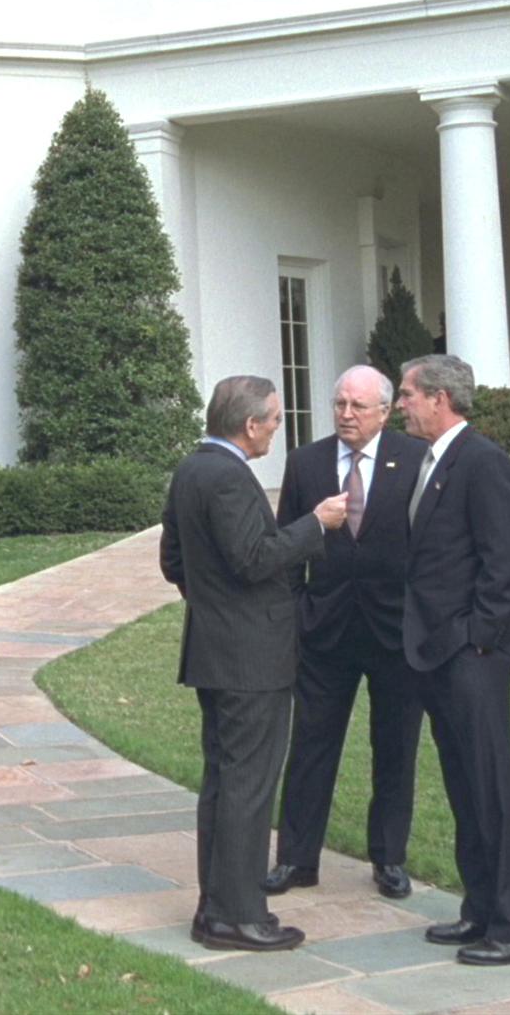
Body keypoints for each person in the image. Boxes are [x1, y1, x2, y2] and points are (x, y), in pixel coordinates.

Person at [160, 375, 348, 953]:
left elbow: (173, 561)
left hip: (215, 652)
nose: (276, 429)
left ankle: (215, 908)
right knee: (247, 786)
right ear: (249, 425)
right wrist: (316, 524)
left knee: (223, 781)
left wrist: (212, 603)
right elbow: (253, 559)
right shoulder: (228, 477)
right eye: (273, 420)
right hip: (250, 659)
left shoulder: (190, 470)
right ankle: (238, 915)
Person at [396, 354, 510, 967]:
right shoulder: (431, 462)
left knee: (491, 787)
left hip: (471, 656)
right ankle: (481, 909)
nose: (400, 403)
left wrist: (475, 639)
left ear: (439, 398)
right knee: (464, 786)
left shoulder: (484, 463)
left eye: (407, 394)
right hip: (435, 652)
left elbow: (504, 562)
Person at [263, 365, 427, 901]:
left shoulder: (414, 462)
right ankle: (295, 858)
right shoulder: (306, 462)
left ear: (384, 411)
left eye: (358, 406)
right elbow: (287, 545)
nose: (346, 415)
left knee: (395, 746)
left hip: (394, 633)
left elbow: (428, 548)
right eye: (339, 404)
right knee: (311, 744)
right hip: (325, 630)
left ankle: (389, 858)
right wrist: (294, 615)